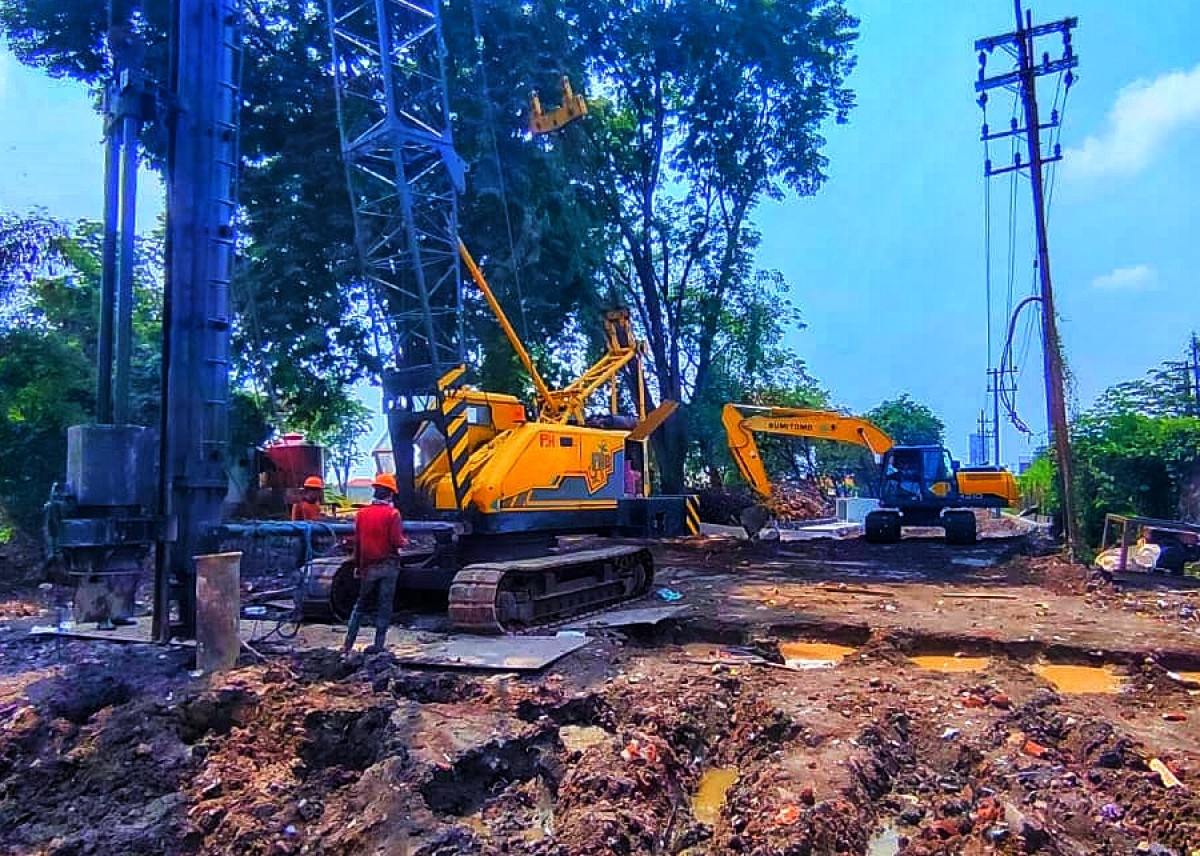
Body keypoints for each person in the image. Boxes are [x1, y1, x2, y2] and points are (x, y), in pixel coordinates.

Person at [342, 473, 409, 655]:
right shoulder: (393, 514)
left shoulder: (361, 514)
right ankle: (379, 645)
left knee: (360, 606)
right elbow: (396, 541)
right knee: (384, 606)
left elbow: (358, 543)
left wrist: (357, 565)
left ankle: (347, 645)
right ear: (390, 494)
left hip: (368, 567)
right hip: (388, 566)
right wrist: (406, 542)